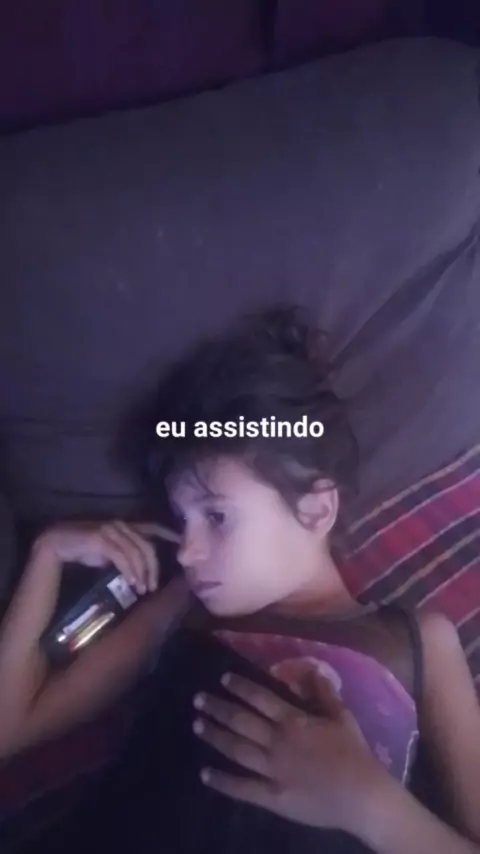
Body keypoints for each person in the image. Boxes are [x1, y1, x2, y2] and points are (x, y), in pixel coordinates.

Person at [1, 304, 479, 854]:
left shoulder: (420, 640)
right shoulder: (180, 607)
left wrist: (372, 806)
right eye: (181, 520)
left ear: (316, 509)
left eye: (217, 516)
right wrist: (48, 552)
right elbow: (9, 728)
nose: (187, 551)